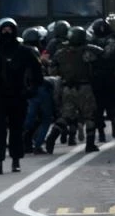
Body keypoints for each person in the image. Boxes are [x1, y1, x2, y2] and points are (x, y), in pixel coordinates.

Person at [0, 18, 43, 174]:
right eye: (4, 29)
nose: (7, 32)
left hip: (18, 95)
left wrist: (33, 89)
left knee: (17, 130)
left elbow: (37, 71)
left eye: (10, 29)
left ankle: (16, 160)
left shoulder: (24, 52)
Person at [44, 26, 103, 154]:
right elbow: (101, 56)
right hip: (84, 87)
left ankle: (51, 138)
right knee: (90, 116)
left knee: (66, 117)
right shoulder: (87, 51)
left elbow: (52, 70)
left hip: (67, 88)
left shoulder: (61, 53)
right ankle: (90, 144)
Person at [89, 18, 115, 142]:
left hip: (96, 78)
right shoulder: (114, 40)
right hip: (112, 77)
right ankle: (114, 119)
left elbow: (87, 60)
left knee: (98, 108)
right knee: (113, 102)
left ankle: (101, 133)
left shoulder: (92, 42)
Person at [21, 26, 55, 155]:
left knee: (28, 119)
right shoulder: (34, 52)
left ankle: (20, 140)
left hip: (24, 89)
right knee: (46, 118)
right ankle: (38, 144)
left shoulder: (18, 51)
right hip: (38, 89)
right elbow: (40, 70)